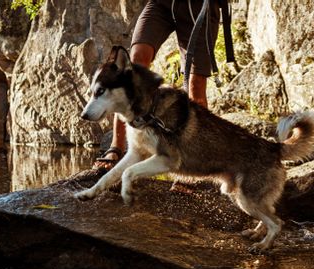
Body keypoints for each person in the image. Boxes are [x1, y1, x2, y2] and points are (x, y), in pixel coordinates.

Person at [94, 0, 221, 170]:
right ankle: (117, 147)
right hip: (161, 4)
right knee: (133, 64)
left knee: (195, 83)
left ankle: (193, 161)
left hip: (198, 7)